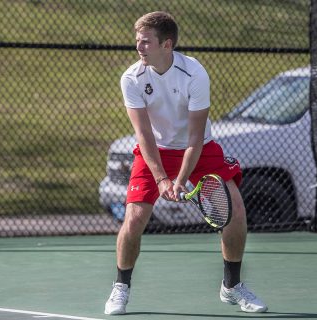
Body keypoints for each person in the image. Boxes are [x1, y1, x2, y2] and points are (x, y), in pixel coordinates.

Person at [105, 11, 267, 315]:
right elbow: (143, 136)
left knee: (236, 211)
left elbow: (195, 138)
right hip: (155, 150)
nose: (138, 46)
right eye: (137, 40)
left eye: (145, 41)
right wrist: (163, 179)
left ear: (166, 44)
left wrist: (180, 180)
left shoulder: (194, 74)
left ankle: (232, 287)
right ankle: (120, 287)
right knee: (134, 219)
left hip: (200, 148)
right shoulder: (131, 78)